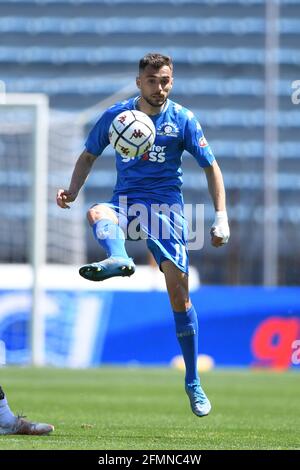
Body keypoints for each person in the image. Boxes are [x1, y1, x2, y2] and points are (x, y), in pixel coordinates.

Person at [56, 53, 230, 417]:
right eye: (152, 80)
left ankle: (193, 381)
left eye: (165, 80)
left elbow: (210, 167)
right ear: (139, 82)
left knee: (179, 301)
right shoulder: (117, 117)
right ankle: (119, 257)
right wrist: (72, 191)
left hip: (167, 210)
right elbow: (88, 155)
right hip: (127, 203)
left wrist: (221, 217)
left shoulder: (182, 119)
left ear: (172, 80)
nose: (160, 87)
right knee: (97, 211)